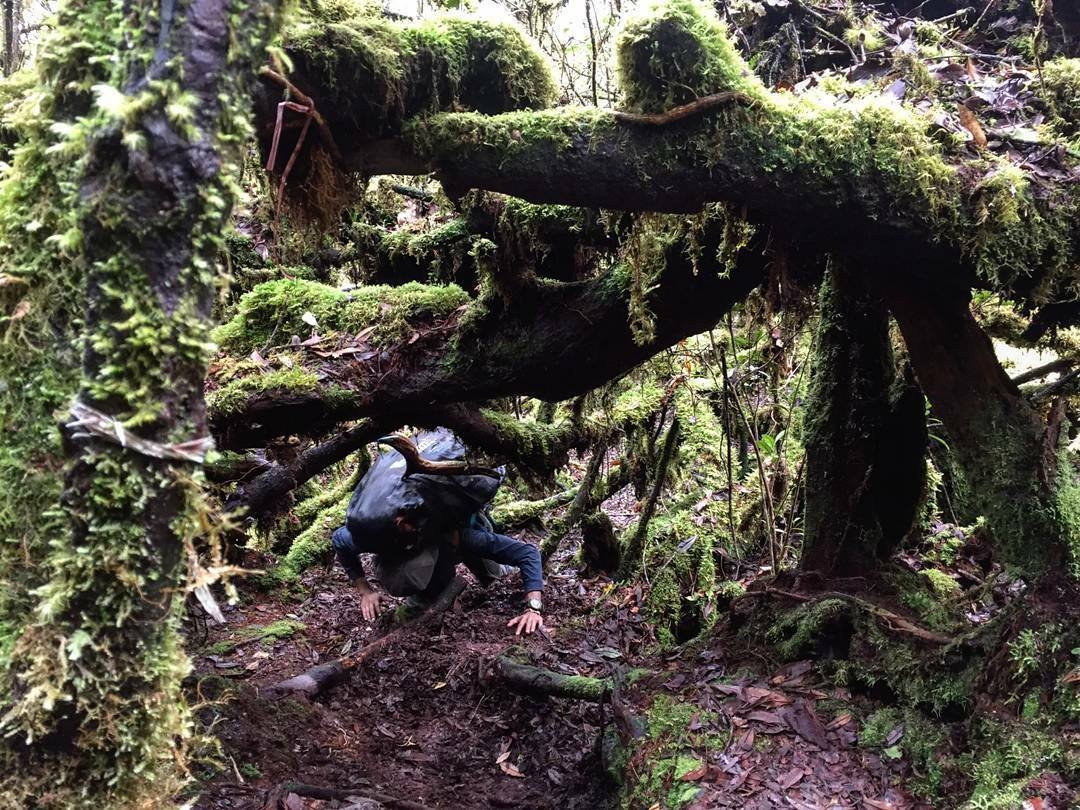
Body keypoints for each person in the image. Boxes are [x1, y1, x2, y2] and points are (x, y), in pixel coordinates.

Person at [331, 506, 546, 635]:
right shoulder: (382, 535)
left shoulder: (465, 535)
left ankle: (493, 568)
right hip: (422, 562)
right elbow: (340, 541)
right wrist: (365, 591)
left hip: (468, 536)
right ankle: (426, 595)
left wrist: (533, 607)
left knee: (496, 577)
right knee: (424, 576)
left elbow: (528, 553)